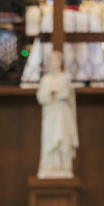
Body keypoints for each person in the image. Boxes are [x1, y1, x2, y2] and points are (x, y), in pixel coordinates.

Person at [36, 50, 79, 179]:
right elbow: (41, 97)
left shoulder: (65, 77)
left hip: (62, 113)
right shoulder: (45, 79)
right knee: (50, 139)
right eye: (52, 60)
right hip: (50, 114)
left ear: (61, 61)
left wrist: (59, 91)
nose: (54, 62)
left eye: (57, 59)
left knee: (63, 138)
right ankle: (49, 166)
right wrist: (50, 92)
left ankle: (63, 166)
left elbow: (69, 95)